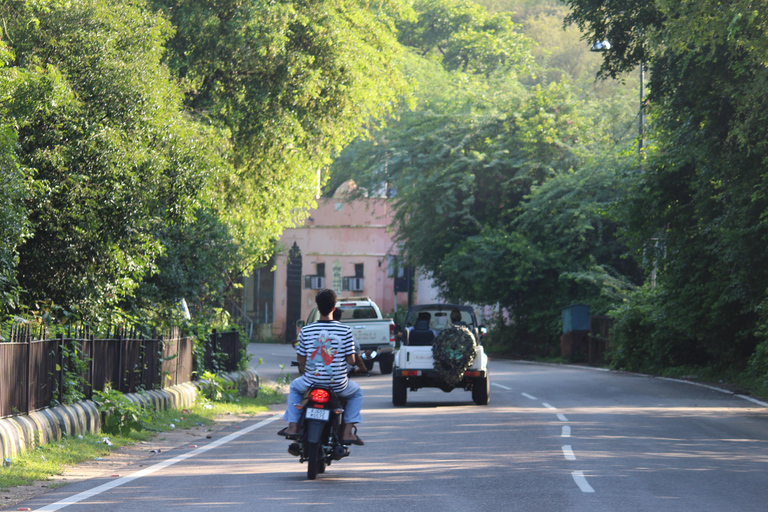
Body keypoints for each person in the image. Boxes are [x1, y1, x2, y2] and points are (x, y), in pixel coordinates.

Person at [278, 289, 365, 445]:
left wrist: (310, 372)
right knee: (357, 393)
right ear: (334, 308)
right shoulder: (345, 331)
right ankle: (347, 432)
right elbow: (351, 361)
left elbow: (302, 362)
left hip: (311, 382)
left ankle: (292, 426)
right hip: (338, 384)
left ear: (317, 307)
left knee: (295, 387)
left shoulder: (306, 330)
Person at [334, 308, 368, 375]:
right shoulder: (344, 330)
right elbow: (354, 355)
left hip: (316, 377)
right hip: (339, 376)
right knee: (355, 386)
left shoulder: (312, 330)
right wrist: (363, 368)